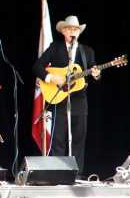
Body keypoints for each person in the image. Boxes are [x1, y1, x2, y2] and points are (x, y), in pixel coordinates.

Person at [33, 15, 100, 174]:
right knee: (58, 140)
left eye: (75, 29)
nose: (73, 31)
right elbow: (37, 66)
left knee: (78, 139)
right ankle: (58, 174)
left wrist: (97, 74)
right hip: (59, 98)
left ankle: (77, 174)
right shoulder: (55, 48)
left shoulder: (87, 51)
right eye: (70, 28)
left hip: (79, 100)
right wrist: (52, 77)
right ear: (63, 31)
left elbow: (93, 71)